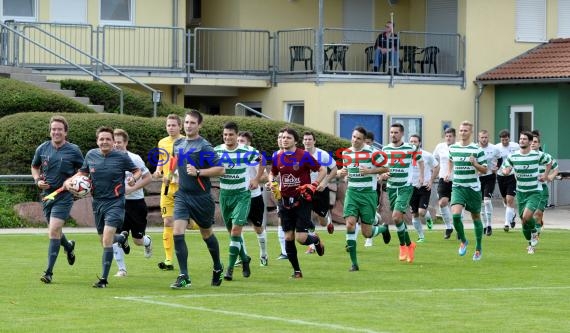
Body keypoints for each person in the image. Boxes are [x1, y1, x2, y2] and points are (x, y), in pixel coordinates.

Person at [66, 126, 141, 288]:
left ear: (113, 142)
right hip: (97, 202)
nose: (104, 142)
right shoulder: (91, 155)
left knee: (107, 239)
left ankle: (103, 279)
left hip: (115, 202)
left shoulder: (121, 157)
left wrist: (133, 179)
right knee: (104, 240)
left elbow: (137, 171)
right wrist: (72, 182)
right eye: (102, 139)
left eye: (108, 139)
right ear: (97, 141)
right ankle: (121, 238)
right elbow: (83, 173)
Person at [169, 110, 226, 289]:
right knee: (177, 233)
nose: (188, 125)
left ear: (199, 125)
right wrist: (173, 175)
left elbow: (221, 169)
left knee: (206, 234)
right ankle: (184, 275)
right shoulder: (177, 143)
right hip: (183, 195)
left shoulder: (204, 146)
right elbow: (176, 162)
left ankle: (217, 266)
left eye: (192, 123)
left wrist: (199, 172)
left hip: (201, 198)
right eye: (186, 122)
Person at [266, 127, 327, 279]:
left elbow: (322, 170)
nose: (284, 140)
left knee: (301, 239)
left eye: (288, 137)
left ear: (295, 141)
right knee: (288, 237)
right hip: (284, 201)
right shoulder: (278, 156)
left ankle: (316, 239)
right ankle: (297, 271)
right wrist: (271, 181)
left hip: (302, 200)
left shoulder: (304, 155)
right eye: (282, 137)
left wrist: (314, 185)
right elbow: (272, 172)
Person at [32, 115, 84, 284]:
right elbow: (35, 167)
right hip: (46, 196)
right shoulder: (42, 148)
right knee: (55, 231)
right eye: (53, 129)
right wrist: (37, 180)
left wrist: (71, 181)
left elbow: (83, 170)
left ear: (65, 132)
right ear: (50, 131)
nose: (56, 132)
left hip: (64, 195)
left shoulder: (74, 150)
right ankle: (68, 246)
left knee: (53, 230)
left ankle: (48, 272)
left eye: (59, 129)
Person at [214, 122, 264, 281]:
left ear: (236, 136)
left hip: (242, 195)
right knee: (232, 234)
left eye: (231, 135)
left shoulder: (246, 150)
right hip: (224, 196)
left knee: (236, 231)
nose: (228, 137)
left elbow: (262, 160)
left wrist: (256, 179)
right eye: (225, 135)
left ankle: (229, 269)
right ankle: (245, 258)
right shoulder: (217, 150)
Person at [338, 126, 391, 271]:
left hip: (368, 194)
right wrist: (344, 174)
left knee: (366, 232)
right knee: (350, 224)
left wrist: (369, 171)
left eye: (358, 138)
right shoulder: (346, 153)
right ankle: (354, 263)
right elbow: (346, 172)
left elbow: (386, 168)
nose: (355, 140)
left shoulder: (372, 152)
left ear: (364, 140)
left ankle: (383, 229)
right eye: (353, 137)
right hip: (352, 193)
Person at [112, 129, 153, 277]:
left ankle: (147, 242)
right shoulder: (109, 159)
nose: (116, 145)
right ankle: (122, 269)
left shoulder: (134, 159)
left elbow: (148, 178)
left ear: (126, 143)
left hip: (136, 203)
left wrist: (132, 188)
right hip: (117, 204)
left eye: (119, 142)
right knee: (114, 236)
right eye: (114, 142)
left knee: (137, 240)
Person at [501, 131, 551, 254]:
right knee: (524, 222)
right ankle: (530, 243)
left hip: (534, 191)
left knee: (527, 217)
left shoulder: (537, 155)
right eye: (520, 139)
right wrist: (506, 171)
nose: (522, 141)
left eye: (524, 139)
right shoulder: (513, 156)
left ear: (529, 142)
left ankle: (534, 232)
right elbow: (505, 167)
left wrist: (545, 175)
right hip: (521, 193)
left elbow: (549, 161)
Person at [445, 121, 487, 261]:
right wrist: (449, 172)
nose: (463, 133)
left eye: (466, 131)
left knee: (476, 217)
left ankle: (478, 247)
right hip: (458, 187)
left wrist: (475, 164)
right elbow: (450, 160)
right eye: (461, 130)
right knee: (456, 216)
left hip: (473, 188)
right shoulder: (453, 148)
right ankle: (463, 240)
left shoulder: (477, 149)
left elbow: (485, 169)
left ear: (471, 132)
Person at [381, 123, 422, 263]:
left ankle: (402, 246)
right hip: (392, 187)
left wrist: (421, 177)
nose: (393, 135)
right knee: (398, 219)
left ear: (402, 134)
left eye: (396, 132)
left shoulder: (410, 148)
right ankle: (410, 244)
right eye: (391, 132)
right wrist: (383, 175)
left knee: (396, 217)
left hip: (405, 187)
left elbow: (420, 161)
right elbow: (383, 168)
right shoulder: (385, 149)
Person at [153, 114, 185, 271]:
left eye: (173, 125)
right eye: (168, 125)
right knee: (167, 221)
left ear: (180, 126)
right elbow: (161, 159)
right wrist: (158, 170)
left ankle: (198, 223)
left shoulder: (186, 142)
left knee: (186, 222)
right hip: (166, 187)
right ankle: (168, 260)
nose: (171, 128)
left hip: (182, 188)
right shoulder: (162, 142)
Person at [237, 131, 270, 266]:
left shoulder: (254, 155)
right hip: (238, 197)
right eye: (238, 140)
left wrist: (256, 179)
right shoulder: (232, 155)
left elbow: (265, 176)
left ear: (249, 143)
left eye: (242, 141)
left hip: (254, 196)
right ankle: (243, 257)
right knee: (236, 228)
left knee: (258, 228)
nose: (239, 143)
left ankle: (264, 254)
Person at [302, 131, 337, 254]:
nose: (307, 141)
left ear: (314, 141)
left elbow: (334, 169)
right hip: (305, 190)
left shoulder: (323, 154)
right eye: (305, 139)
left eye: (310, 139)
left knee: (322, 222)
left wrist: (325, 181)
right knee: (306, 217)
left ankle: (328, 220)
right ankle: (312, 245)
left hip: (320, 190)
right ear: (302, 141)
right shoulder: (299, 155)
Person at [408, 134, 438, 242]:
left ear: (419, 143)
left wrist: (431, 180)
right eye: (411, 141)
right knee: (414, 213)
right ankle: (421, 236)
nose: (413, 144)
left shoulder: (427, 155)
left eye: (415, 142)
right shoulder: (406, 155)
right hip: (411, 187)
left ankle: (428, 217)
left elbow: (436, 166)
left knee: (421, 212)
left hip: (424, 186)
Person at [529, 131, 558, 237]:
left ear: (539, 144)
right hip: (528, 190)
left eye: (535, 142)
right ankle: (538, 224)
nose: (533, 143)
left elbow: (555, 169)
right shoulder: (523, 157)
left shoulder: (545, 156)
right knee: (528, 216)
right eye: (531, 141)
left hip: (541, 189)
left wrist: (548, 177)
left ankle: (534, 238)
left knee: (537, 213)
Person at [432, 127, 456, 239]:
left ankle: (458, 228)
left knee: (456, 205)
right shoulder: (440, 147)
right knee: (442, 203)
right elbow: (434, 159)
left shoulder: (458, 147)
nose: (448, 138)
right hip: (443, 179)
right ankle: (448, 227)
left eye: (450, 136)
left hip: (457, 179)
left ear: (454, 137)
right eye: (446, 136)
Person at [477, 129, 501, 236]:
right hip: (478, 178)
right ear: (479, 138)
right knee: (481, 203)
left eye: (486, 137)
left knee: (487, 201)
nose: (484, 139)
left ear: (488, 137)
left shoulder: (494, 148)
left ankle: (490, 225)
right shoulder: (475, 148)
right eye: (482, 137)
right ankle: (484, 225)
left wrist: (497, 167)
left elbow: (500, 159)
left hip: (490, 177)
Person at [495, 129, 520, 232]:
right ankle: (512, 214)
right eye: (502, 140)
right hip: (501, 176)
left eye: (506, 139)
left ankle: (506, 223)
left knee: (510, 199)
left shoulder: (515, 146)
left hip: (512, 175)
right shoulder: (497, 148)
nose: (504, 141)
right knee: (505, 200)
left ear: (509, 138)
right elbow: (493, 159)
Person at [362, 131, 383, 247]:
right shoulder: (356, 152)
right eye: (364, 142)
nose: (366, 144)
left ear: (372, 142)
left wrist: (380, 175)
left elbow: (385, 168)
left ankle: (369, 238)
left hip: (372, 188)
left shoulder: (376, 154)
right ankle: (351, 242)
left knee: (370, 215)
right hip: (357, 189)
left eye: (368, 142)